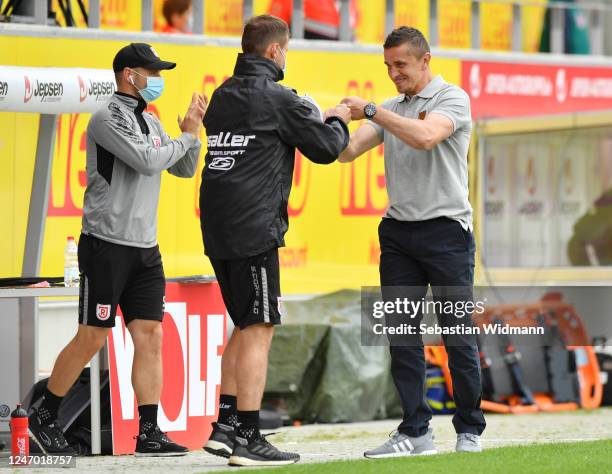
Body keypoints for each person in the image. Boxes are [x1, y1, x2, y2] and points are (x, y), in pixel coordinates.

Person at [28, 43, 207, 457]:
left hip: (145, 247)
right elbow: (147, 161)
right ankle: (44, 415)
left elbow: (182, 168)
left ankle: (149, 432)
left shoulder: (151, 119)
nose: (157, 78)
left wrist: (191, 133)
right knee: (92, 336)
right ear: (130, 74)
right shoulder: (106, 117)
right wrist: (184, 137)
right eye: (152, 71)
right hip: (106, 244)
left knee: (150, 336)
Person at [200, 14, 350, 467]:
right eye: (286, 49)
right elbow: (326, 148)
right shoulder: (280, 97)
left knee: (246, 326)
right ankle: (249, 436)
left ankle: (225, 427)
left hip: (217, 228)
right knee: (260, 330)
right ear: (274, 51)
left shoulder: (223, 93)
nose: (286, 56)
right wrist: (338, 118)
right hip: (253, 230)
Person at [338, 27, 486, 457]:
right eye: (387, 66)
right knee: (402, 336)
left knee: (456, 334)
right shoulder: (389, 108)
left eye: (400, 65)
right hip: (399, 232)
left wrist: (368, 110)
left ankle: (469, 430)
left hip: (447, 232)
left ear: (425, 61)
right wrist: (326, 120)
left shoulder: (452, 98)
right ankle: (415, 431)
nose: (393, 74)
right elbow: (347, 152)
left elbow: (424, 137)